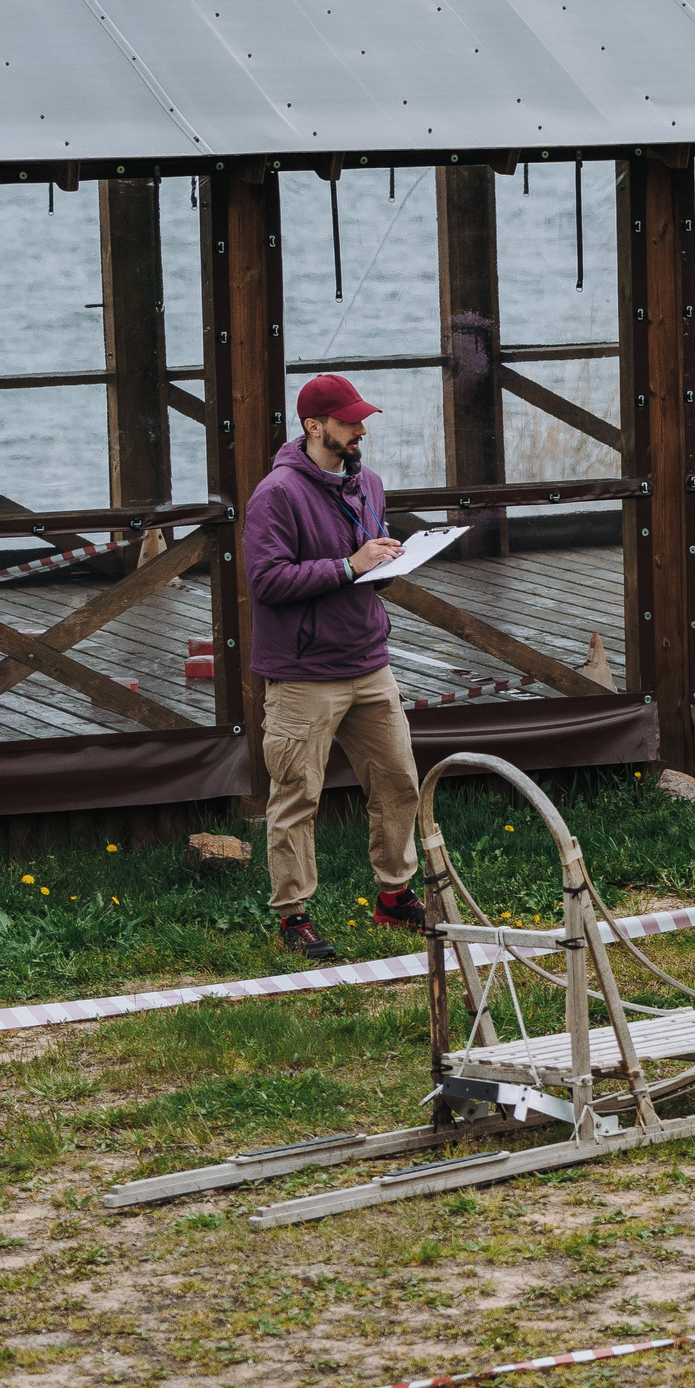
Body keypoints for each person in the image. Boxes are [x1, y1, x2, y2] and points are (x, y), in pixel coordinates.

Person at [244, 375, 426, 959]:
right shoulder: (276, 494)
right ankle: (293, 917)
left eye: (361, 419)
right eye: (349, 421)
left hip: (370, 663)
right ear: (314, 425)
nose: (361, 429)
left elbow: (367, 561)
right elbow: (266, 582)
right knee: (297, 796)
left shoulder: (368, 482)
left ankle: (394, 897)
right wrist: (350, 566)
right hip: (302, 674)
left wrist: (389, 560)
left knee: (399, 783)